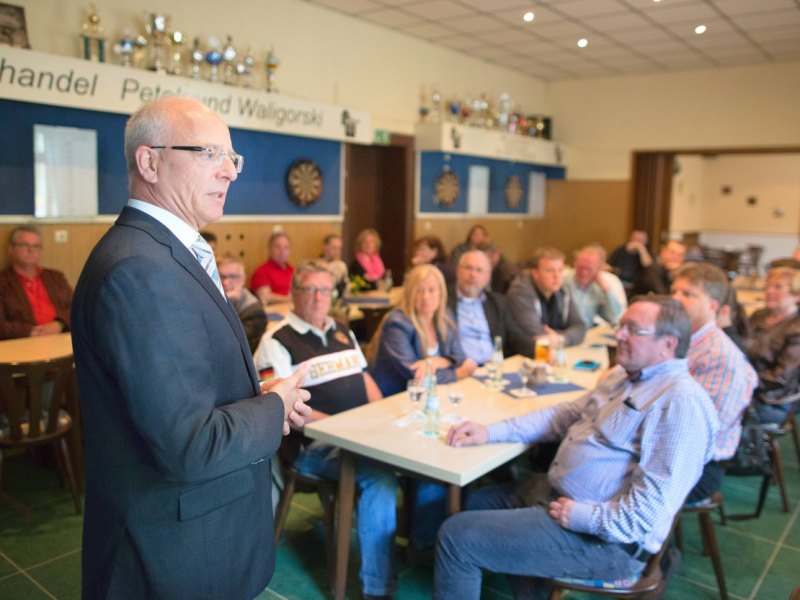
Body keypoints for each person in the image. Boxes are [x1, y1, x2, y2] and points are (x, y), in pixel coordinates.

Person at [70, 96, 311, 599]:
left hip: (194, 539)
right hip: (176, 555)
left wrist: (254, 394)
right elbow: (190, 444)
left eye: (233, 158)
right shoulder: (141, 269)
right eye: (208, 153)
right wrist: (274, 407)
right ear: (149, 161)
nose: (230, 172)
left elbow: (177, 392)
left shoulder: (163, 253)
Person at [434, 297, 719, 599]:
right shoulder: (625, 376)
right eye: (621, 325)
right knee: (480, 501)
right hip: (561, 498)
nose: (619, 335)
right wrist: (489, 431)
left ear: (668, 345)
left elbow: (642, 516)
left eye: (633, 329)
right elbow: (563, 415)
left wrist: (583, 516)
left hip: (603, 540)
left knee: (457, 537)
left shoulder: (681, 403)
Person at [253, 260, 397, 600]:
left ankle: (416, 543)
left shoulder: (343, 330)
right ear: (294, 293)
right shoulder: (277, 341)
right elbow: (283, 408)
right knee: (381, 477)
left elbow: (365, 381)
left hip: (362, 435)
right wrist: (343, 428)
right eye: (310, 290)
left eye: (325, 290)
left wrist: (381, 417)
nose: (319, 297)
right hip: (313, 448)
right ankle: (377, 589)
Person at [671, 263, 757, 501]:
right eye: (674, 291)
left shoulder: (720, 356)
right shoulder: (680, 338)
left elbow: (699, 431)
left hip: (696, 466)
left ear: (713, 306)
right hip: (671, 450)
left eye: (687, 294)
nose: (675, 299)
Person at [370, 264, 476, 396]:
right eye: (419, 291)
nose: (425, 297)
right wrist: (458, 373)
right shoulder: (397, 324)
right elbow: (416, 376)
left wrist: (435, 362)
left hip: (433, 395)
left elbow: (459, 357)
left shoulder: (445, 317)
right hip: (397, 398)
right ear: (409, 294)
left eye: (431, 290)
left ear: (441, 293)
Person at [448, 249, 532, 364]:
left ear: (488, 276)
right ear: (457, 270)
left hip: (493, 370)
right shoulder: (443, 300)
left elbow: (517, 338)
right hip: (459, 371)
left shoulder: (498, 303)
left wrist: (540, 349)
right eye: (468, 268)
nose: (473, 274)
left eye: (479, 270)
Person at [745, 266, 800, 424]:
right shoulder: (759, 316)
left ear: (797, 295)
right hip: (748, 387)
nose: (769, 291)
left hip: (771, 401)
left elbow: (779, 378)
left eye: (778, 287)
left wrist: (743, 382)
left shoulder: (796, 328)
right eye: (767, 286)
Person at [0, 225, 73, 339]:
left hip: (60, 338)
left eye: (36, 246)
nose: (31, 250)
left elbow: (76, 309)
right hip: (22, 343)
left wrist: (59, 324)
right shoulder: (3, 281)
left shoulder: (56, 277)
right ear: (11, 249)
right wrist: (31, 331)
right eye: (24, 245)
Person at [507, 246, 586, 349]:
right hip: (525, 355)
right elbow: (536, 334)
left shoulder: (563, 290)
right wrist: (565, 336)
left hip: (556, 350)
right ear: (535, 274)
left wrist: (562, 339)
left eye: (560, 270)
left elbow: (579, 326)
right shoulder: (520, 292)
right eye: (550, 271)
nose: (557, 276)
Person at [563, 244, 627, 328]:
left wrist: (606, 290)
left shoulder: (610, 282)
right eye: (581, 267)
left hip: (589, 332)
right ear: (575, 263)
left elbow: (615, 318)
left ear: (600, 268)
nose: (584, 272)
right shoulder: (562, 279)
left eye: (589, 269)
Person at [218, 255, 267, 354]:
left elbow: (228, 342)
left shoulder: (254, 312)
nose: (226, 282)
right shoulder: (212, 297)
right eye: (221, 276)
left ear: (243, 279)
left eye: (233, 276)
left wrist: (226, 303)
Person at [251, 231, 295, 304]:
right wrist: (291, 299)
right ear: (270, 249)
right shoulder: (261, 271)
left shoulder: (292, 270)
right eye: (278, 247)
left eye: (286, 247)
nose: (282, 251)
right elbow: (265, 297)